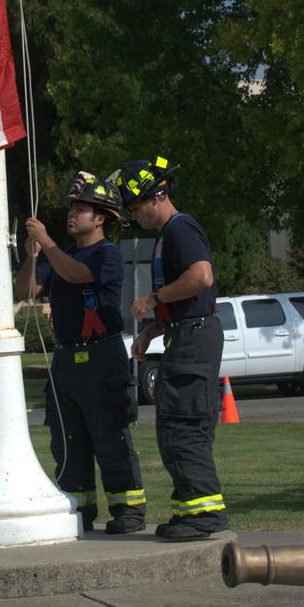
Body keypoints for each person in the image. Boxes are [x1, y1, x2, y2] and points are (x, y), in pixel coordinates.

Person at [14, 171, 146, 534]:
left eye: (82, 208)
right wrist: (32, 255)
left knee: (110, 435)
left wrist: (48, 243)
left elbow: (75, 276)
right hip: (66, 359)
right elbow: (24, 290)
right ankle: (80, 509)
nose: (72, 214)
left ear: (100, 217)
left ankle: (128, 511)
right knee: (67, 438)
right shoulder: (60, 254)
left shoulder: (107, 254)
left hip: (102, 357)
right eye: (72, 207)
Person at [110, 156, 229, 542]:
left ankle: (205, 514)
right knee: (174, 426)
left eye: (134, 207)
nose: (133, 216)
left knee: (185, 426)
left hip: (195, 338)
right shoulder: (167, 236)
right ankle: (188, 510)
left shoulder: (181, 229)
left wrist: (152, 297)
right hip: (183, 333)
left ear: (154, 196)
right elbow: (182, 300)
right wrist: (150, 331)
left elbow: (201, 277)